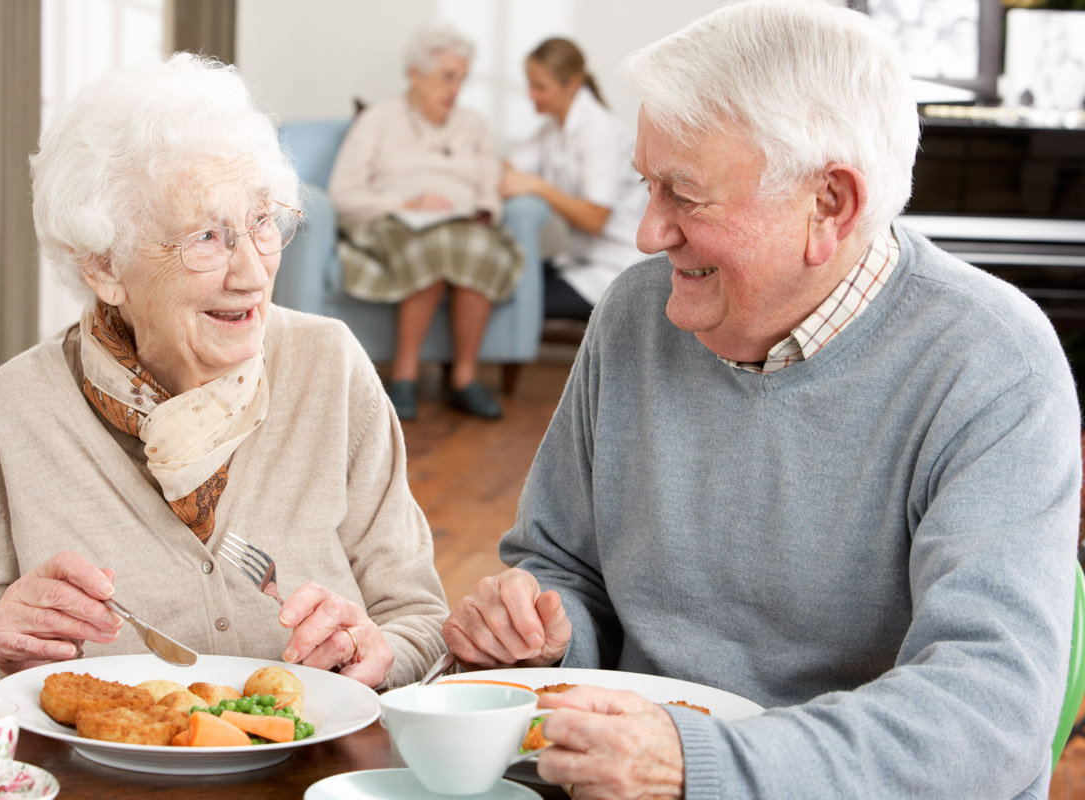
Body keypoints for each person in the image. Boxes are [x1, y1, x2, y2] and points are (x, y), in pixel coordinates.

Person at [442, 2, 1082, 798]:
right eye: (648, 184)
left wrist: (699, 768)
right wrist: (541, 632)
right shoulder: (636, 313)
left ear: (829, 206)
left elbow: (990, 717)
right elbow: (561, 563)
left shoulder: (994, 363)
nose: (647, 232)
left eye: (684, 193)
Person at [0, 53, 448, 694]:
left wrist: (380, 653)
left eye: (261, 223)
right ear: (103, 268)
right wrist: (9, 667)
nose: (252, 273)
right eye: (205, 237)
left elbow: (419, 621)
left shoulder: (328, 367)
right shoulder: (19, 409)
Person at [327, 27, 523, 422]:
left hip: (462, 224)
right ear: (416, 75)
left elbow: (489, 188)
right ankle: (405, 376)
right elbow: (342, 193)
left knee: (475, 246)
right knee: (433, 244)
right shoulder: (378, 119)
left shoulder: (474, 125)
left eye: (462, 79)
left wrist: (481, 211)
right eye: (448, 77)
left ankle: (464, 380)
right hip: (396, 222)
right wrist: (406, 202)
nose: (457, 89)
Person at [501, 37, 647, 321]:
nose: (531, 94)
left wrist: (538, 187)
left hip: (617, 266)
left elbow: (595, 217)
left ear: (572, 83)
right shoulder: (554, 130)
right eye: (530, 85)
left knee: (517, 300)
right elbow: (508, 167)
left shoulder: (598, 129)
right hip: (582, 260)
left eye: (540, 86)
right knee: (504, 279)